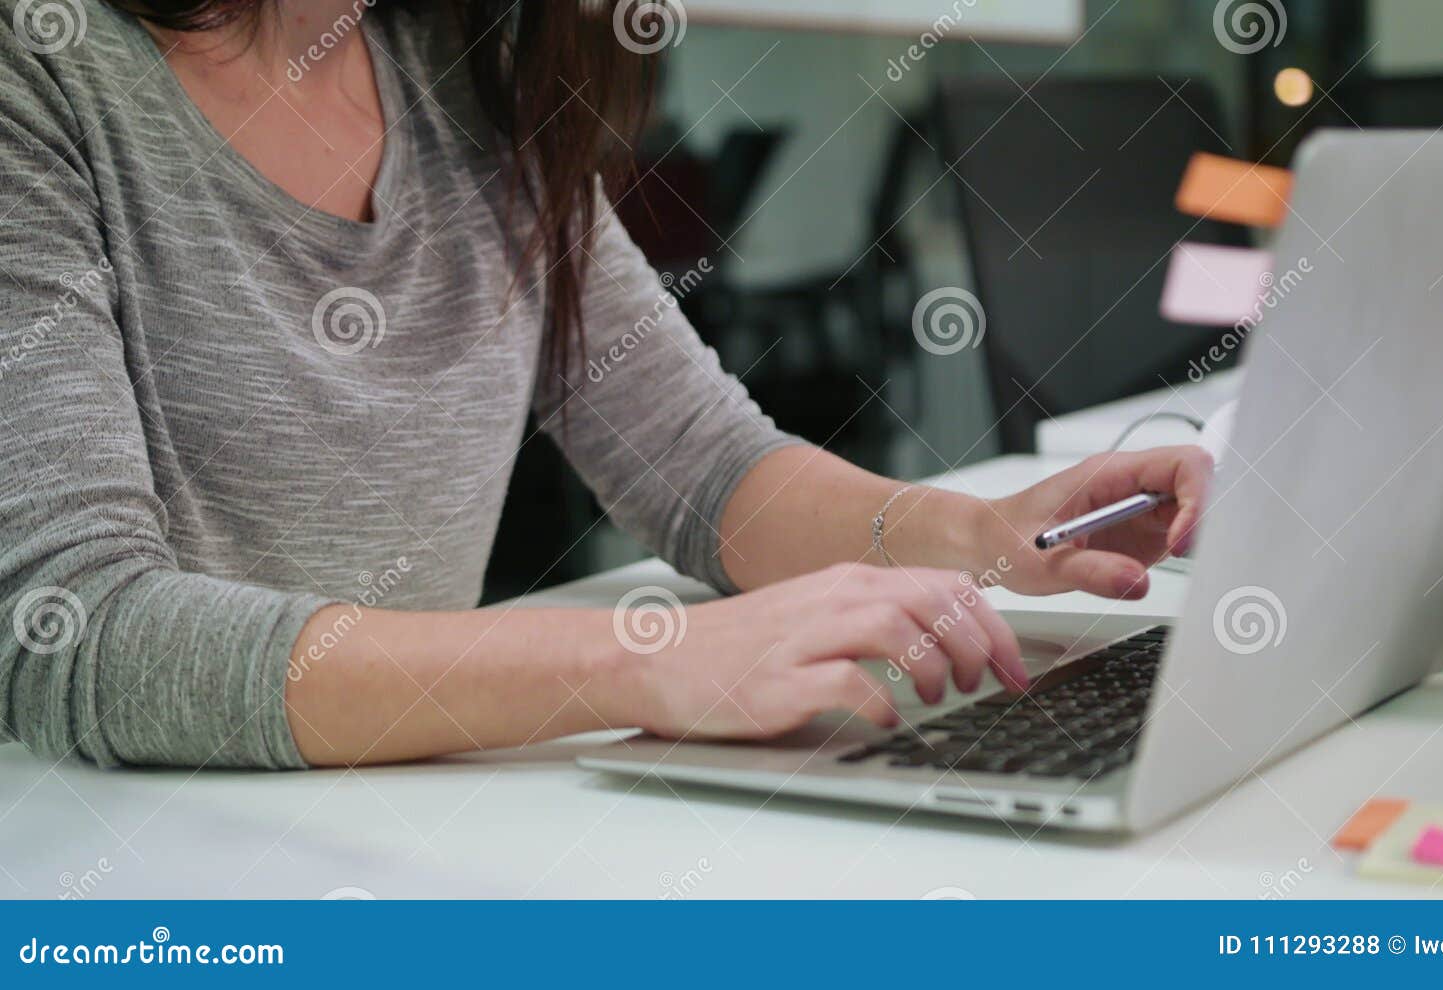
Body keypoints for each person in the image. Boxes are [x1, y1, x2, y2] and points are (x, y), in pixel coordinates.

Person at [0, 0, 1210, 770]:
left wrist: (981, 533)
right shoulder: (42, 71)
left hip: (401, 831)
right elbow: (79, 630)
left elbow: (699, 460)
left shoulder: (459, 63)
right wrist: (638, 661)